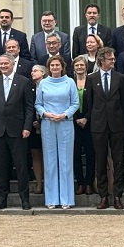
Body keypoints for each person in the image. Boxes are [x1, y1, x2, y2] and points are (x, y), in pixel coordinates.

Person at [0, 53, 34, 210]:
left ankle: (24, 199)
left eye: (6, 63)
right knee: (0, 167)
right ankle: (2, 198)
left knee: (21, 166)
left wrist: (27, 127)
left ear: (12, 64)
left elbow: (29, 107)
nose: (3, 66)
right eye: (1, 64)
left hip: (18, 131)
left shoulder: (24, 81)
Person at [84, 46, 124, 209]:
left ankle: (117, 196)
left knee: (118, 162)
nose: (113, 61)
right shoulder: (91, 78)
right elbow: (89, 102)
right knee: (100, 161)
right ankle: (103, 196)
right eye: (110, 58)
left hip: (117, 124)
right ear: (102, 60)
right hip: (99, 125)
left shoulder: (120, 77)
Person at [35, 56, 78, 209]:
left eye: (57, 65)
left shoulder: (70, 82)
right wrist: (46, 114)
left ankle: (66, 199)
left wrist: (64, 114)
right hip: (48, 123)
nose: (54, 67)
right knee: (50, 161)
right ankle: (51, 199)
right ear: (49, 68)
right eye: (52, 65)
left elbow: (75, 103)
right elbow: (38, 104)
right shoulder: (43, 83)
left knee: (66, 162)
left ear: (62, 66)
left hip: (65, 123)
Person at [71, 56, 94, 196]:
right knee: (76, 154)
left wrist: (87, 118)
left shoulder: (92, 81)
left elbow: (95, 102)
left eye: (82, 65)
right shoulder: (70, 82)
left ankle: (89, 183)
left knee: (91, 153)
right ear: (73, 68)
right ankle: (80, 183)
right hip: (73, 123)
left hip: (89, 122)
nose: (79, 67)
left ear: (86, 67)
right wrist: (75, 119)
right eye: (77, 65)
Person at [28, 65, 46, 194]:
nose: (32, 73)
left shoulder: (49, 86)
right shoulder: (29, 87)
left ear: (43, 73)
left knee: (47, 154)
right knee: (35, 153)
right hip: (33, 125)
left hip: (48, 123)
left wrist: (42, 121)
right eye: (32, 71)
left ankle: (48, 182)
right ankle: (39, 183)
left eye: (35, 71)